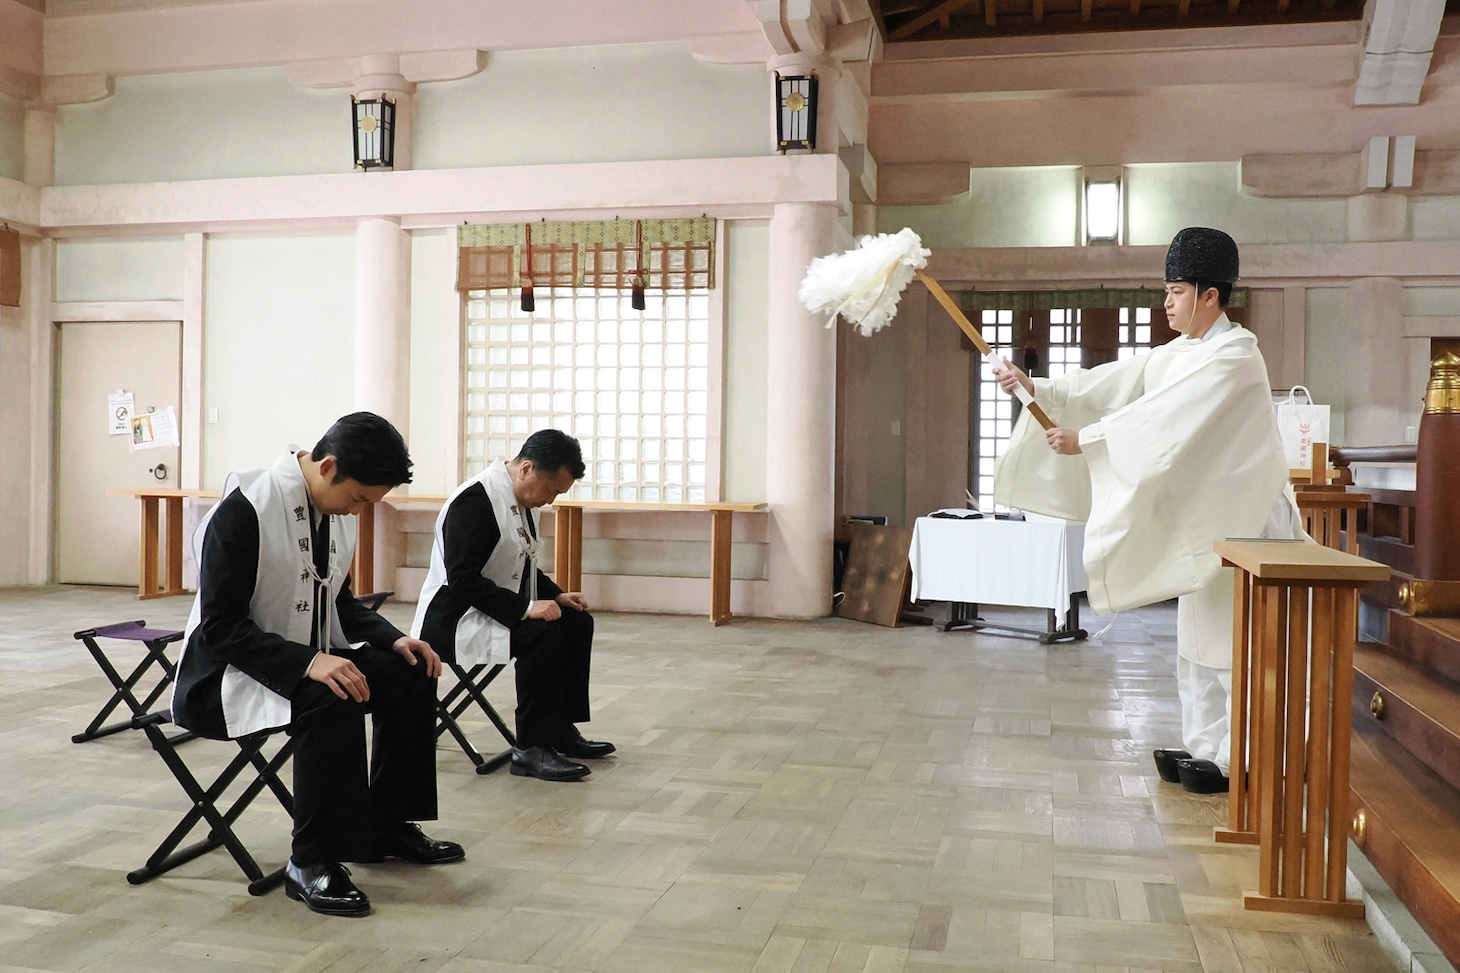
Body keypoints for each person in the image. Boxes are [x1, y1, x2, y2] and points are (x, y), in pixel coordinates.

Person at [992, 227, 1304, 794]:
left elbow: (1162, 419)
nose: (1166, 303)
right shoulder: (1178, 354)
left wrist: (1086, 440)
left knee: (1239, 646)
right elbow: (1111, 384)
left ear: (1211, 295)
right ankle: (1206, 747)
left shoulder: (1235, 356)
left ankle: (1243, 758)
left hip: (1251, 524)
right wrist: (1034, 386)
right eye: (1166, 291)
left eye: (1177, 291)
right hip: (1211, 526)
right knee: (1200, 640)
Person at [171, 412, 463, 918]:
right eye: (357, 499)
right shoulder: (245, 511)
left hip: (304, 655)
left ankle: (385, 826)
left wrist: (394, 640)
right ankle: (311, 861)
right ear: (327, 467)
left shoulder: (331, 511)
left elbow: (338, 602)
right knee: (334, 694)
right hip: (227, 672)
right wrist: (309, 662)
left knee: (411, 671)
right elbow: (220, 628)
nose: (359, 513)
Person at [412, 428, 613, 783]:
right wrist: (524, 609)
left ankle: (560, 730)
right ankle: (531, 749)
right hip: (451, 618)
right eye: (551, 490)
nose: (550, 501)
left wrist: (556, 594)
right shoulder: (475, 501)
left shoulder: (521, 500)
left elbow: (522, 561)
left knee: (576, 620)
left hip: (491, 607)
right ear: (527, 470)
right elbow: (463, 580)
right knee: (539, 632)